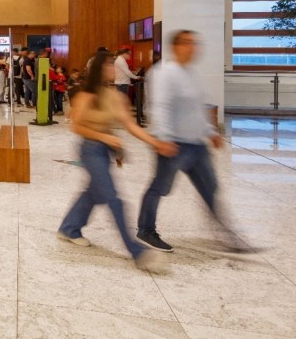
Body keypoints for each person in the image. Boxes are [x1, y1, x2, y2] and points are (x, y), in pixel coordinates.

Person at [56, 52, 175, 273]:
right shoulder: (86, 95)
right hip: (90, 150)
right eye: (109, 65)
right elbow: (76, 126)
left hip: (104, 150)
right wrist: (104, 137)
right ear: (99, 69)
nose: (114, 69)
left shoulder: (116, 97)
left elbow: (131, 126)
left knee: (93, 192)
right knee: (112, 197)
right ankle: (136, 251)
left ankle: (69, 228)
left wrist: (155, 143)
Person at [136, 30, 241, 253]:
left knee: (210, 187)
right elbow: (160, 107)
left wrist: (210, 131)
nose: (193, 47)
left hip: (196, 144)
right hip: (173, 144)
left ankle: (228, 236)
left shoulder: (193, 74)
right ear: (175, 47)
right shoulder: (164, 73)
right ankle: (146, 230)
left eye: (195, 43)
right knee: (160, 187)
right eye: (187, 43)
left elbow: (197, 109)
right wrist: (164, 138)